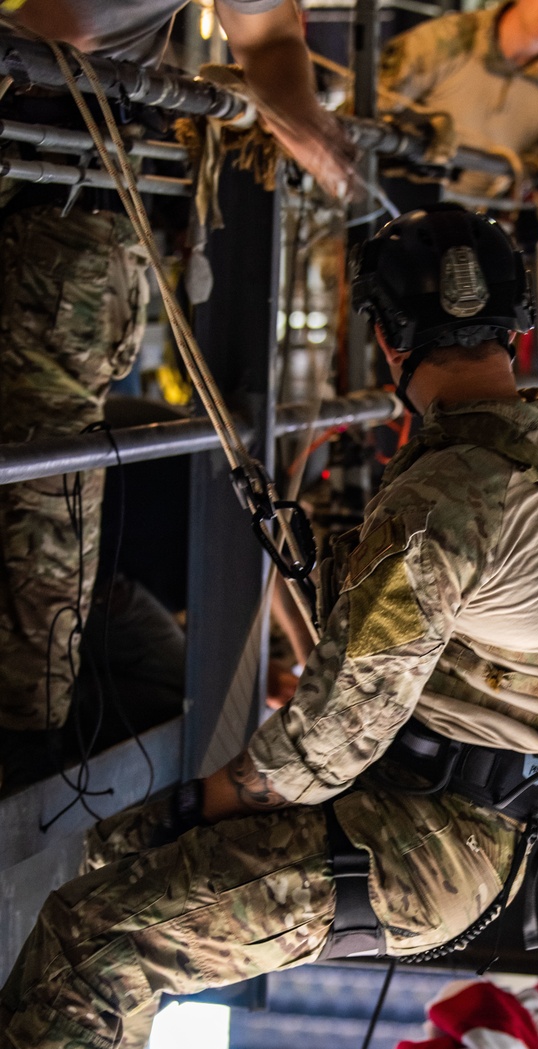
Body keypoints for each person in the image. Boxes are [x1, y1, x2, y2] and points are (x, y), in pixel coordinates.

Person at [0, 205, 538, 1049]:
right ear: (521, 337)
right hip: (455, 823)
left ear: (386, 342)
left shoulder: (455, 491)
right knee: (116, 867)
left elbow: (329, 739)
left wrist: (212, 798)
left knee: (105, 935)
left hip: (412, 840)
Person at [0, 0, 355, 792]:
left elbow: (261, 35)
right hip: (52, 167)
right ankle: (27, 728)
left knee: (49, 468)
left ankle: (23, 739)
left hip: (59, 178)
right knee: (50, 469)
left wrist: (294, 111)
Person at [377, 0, 538, 260]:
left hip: (463, 238)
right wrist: (422, 130)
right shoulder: (448, 39)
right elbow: (368, 114)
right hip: (385, 206)